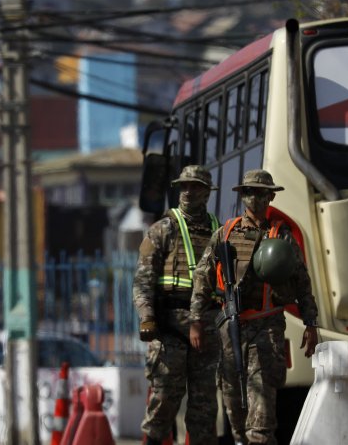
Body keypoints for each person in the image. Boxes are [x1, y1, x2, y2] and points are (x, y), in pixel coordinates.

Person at [190, 169, 319, 445]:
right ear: (242, 196)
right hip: (229, 329)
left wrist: (311, 323)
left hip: (266, 329)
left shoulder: (280, 236)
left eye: (261, 193)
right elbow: (203, 276)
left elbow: (302, 281)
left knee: (260, 421)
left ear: (271, 196)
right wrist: (196, 320)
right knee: (235, 412)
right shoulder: (225, 233)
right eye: (250, 192)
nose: (255, 198)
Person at [133, 165, 222, 445]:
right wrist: (147, 317)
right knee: (164, 401)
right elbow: (143, 281)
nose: (187, 192)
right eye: (183, 186)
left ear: (207, 192)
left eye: (194, 186)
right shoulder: (162, 229)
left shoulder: (218, 231)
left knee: (204, 406)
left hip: (206, 327)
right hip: (169, 327)